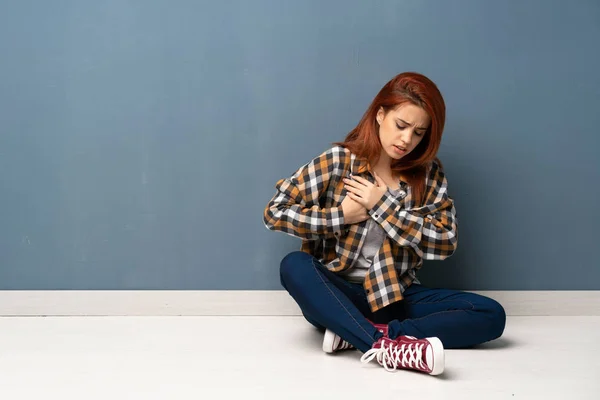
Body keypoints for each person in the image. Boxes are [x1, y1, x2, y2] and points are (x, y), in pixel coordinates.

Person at [262, 72, 506, 376]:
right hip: (337, 293)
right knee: (294, 265)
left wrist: (383, 206)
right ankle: (382, 343)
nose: (407, 140)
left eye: (419, 133)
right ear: (380, 115)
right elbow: (275, 212)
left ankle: (358, 334)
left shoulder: (429, 176)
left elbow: (446, 242)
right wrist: (341, 216)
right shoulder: (339, 161)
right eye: (401, 126)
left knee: (491, 314)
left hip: (395, 296)